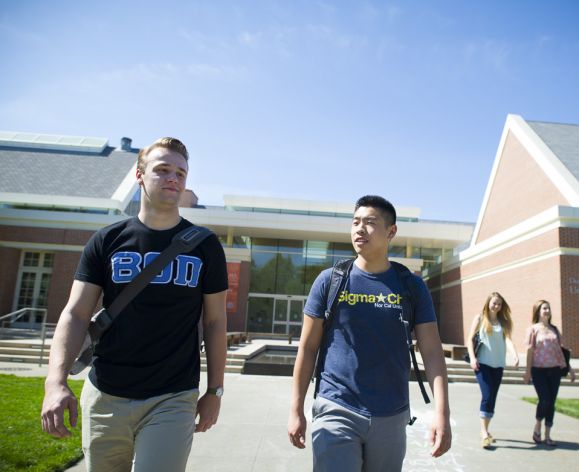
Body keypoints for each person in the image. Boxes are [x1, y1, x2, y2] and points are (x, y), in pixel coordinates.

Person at [41, 137, 228, 472]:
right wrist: (55, 382)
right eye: (163, 170)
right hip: (106, 394)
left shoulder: (206, 246)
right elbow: (76, 312)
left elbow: (215, 322)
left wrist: (214, 390)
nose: (174, 178)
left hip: (173, 397)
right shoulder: (107, 240)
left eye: (181, 173)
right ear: (140, 175)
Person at [288, 195, 451, 472]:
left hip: (392, 414)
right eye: (355, 222)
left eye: (370, 222)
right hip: (336, 407)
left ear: (391, 232)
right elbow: (307, 348)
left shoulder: (411, 287)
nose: (359, 229)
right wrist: (296, 410)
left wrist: (442, 413)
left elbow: (432, 351)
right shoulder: (330, 281)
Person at [466, 292, 519, 449]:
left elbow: (508, 340)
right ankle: (483, 432)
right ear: (488, 302)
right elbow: (469, 339)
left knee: (492, 398)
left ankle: (486, 430)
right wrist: (472, 358)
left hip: (498, 365)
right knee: (487, 395)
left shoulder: (503, 322)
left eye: (499, 304)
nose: (496, 306)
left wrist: (514, 354)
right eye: (494, 303)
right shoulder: (480, 319)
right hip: (482, 364)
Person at [523, 300, 575, 446]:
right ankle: (538, 425)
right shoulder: (533, 329)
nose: (547, 311)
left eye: (548, 308)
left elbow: (561, 352)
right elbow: (529, 351)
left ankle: (547, 435)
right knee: (544, 399)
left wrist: (569, 369)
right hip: (538, 370)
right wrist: (527, 372)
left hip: (555, 370)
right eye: (544, 308)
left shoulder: (555, 330)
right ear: (538, 311)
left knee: (551, 402)